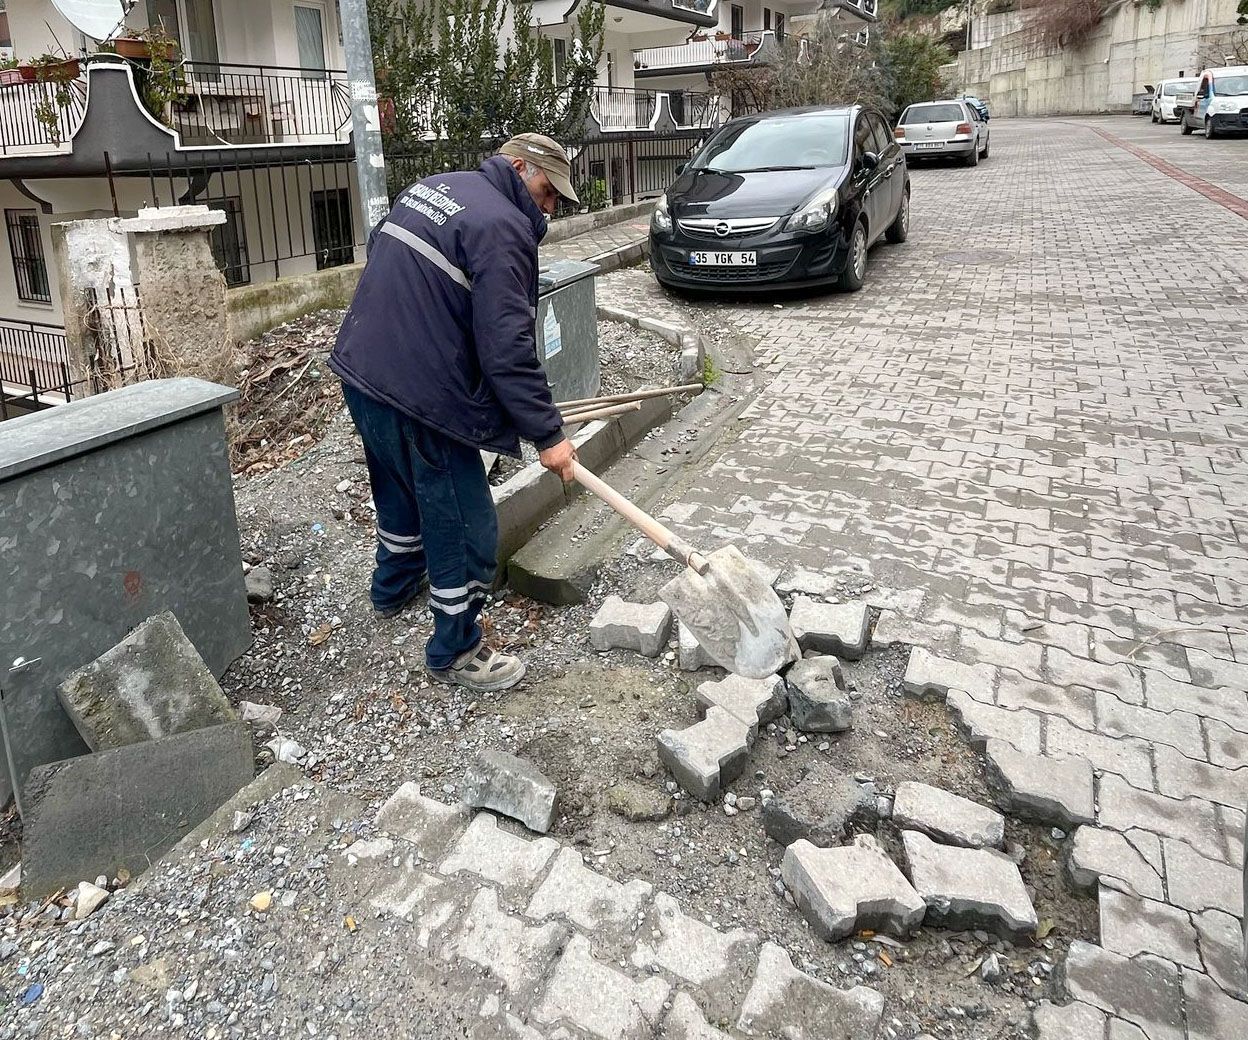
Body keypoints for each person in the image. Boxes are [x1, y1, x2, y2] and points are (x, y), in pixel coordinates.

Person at [328, 134, 581, 693]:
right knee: (464, 522)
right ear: (518, 167)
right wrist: (548, 435)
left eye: (556, 199)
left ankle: (392, 589)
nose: (548, 207)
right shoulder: (503, 229)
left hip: (362, 368)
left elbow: (401, 272)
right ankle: (457, 649)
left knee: (398, 491)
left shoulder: (432, 189)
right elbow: (507, 348)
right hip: (421, 394)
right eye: (545, 190)